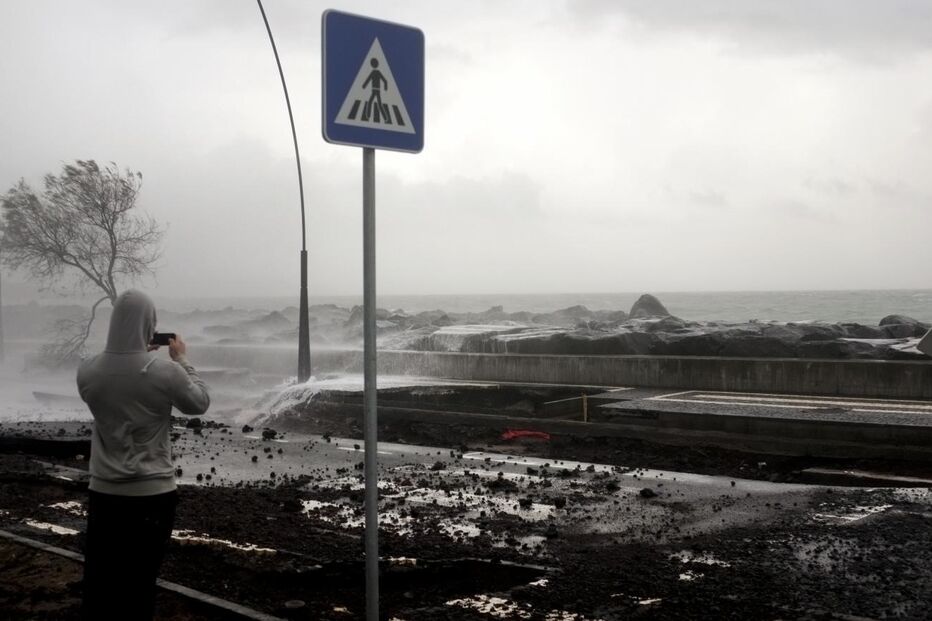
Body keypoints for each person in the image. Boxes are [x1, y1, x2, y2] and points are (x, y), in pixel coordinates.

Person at [77, 289, 209, 620]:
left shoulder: (87, 371)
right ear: (149, 324)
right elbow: (199, 403)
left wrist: (135, 352)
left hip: (104, 492)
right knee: (139, 584)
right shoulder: (165, 371)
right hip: (152, 495)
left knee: (101, 583)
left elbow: (118, 384)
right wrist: (181, 360)